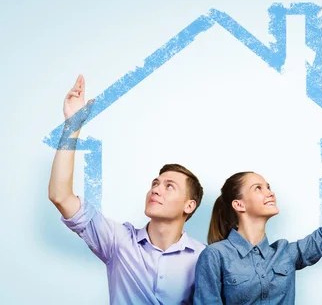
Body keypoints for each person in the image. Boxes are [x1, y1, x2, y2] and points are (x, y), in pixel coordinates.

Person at [48, 74, 206, 305]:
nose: (156, 190)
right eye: (155, 183)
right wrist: (72, 127)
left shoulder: (204, 258)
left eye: (169, 186)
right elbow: (60, 196)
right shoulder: (118, 240)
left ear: (189, 205)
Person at [194, 109, 322, 304]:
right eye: (258, 188)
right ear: (239, 204)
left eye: (268, 187)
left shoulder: (286, 254)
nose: (270, 192)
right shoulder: (215, 255)